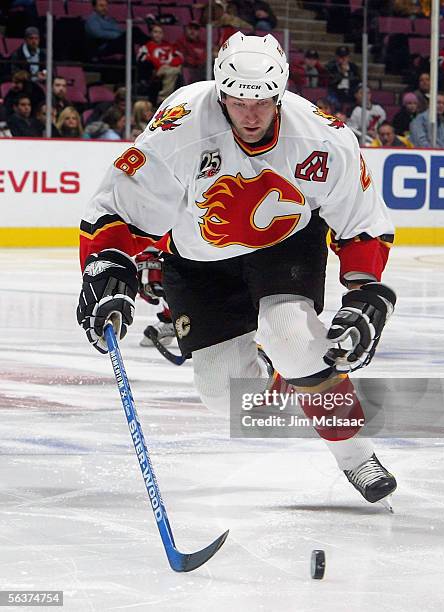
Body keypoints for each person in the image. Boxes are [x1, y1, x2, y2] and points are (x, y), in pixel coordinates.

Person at [77, 33, 397, 507]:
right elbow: (124, 203)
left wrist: (367, 291)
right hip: (198, 258)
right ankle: (297, 380)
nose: (251, 115)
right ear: (220, 91)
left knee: (292, 336)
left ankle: (353, 453)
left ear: (281, 94)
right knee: (221, 393)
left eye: (264, 102)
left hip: (283, 242)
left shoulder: (322, 137)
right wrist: (110, 264)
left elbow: (360, 219)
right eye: (238, 101)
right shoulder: (182, 123)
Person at [137, 23, 184, 104]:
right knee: (174, 71)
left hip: (168, 69)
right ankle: (164, 97)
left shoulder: (169, 46)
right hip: (155, 72)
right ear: (151, 34)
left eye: (160, 32)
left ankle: (163, 97)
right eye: (155, 32)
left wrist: (168, 65)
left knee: (174, 70)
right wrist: (159, 66)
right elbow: (141, 58)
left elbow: (180, 58)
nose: (158, 35)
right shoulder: (146, 46)